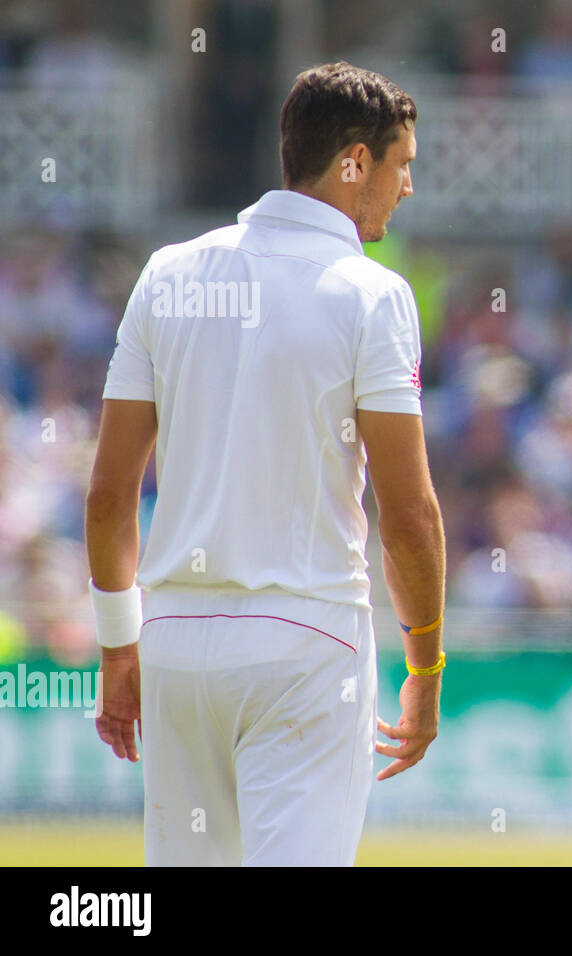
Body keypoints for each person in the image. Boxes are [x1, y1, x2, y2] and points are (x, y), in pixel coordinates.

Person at [84, 62, 446, 866]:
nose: (408, 187)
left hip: (173, 641)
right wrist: (427, 660)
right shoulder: (371, 294)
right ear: (356, 161)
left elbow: (109, 496)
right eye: (402, 163)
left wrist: (118, 647)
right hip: (306, 642)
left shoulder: (168, 273)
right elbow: (410, 517)